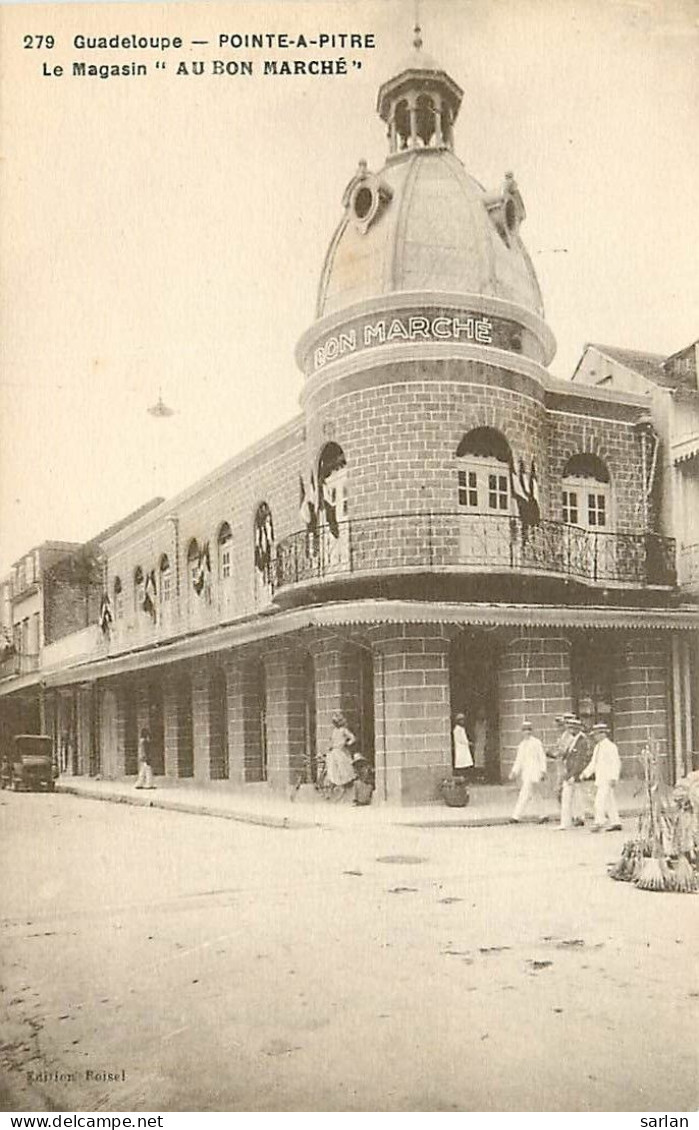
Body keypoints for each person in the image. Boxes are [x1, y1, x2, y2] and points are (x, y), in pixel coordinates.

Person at [581, 721, 622, 832]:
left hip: (608, 778)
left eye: (597, 734)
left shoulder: (610, 746)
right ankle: (615, 822)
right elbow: (594, 763)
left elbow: (616, 763)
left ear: (603, 734)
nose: (595, 737)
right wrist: (585, 773)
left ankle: (599, 822)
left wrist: (614, 777)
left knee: (599, 801)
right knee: (609, 801)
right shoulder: (598, 747)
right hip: (601, 778)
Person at [509, 719, 547, 822]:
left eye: (529, 730)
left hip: (535, 771)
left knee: (524, 794)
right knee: (535, 794)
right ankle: (543, 815)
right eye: (524, 730)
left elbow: (542, 757)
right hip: (526, 773)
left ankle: (516, 816)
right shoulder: (521, 745)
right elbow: (519, 760)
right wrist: (514, 771)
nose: (527, 732)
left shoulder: (536, 743)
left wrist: (543, 771)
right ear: (522, 732)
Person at [558, 717, 590, 830]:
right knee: (577, 797)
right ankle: (579, 817)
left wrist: (572, 774)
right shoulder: (573, 739)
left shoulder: (582, 741)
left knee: (567, 797)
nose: (571, 730)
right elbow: (568, 756)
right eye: (570, 727)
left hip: (573, 774)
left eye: (573, 727)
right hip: (571, 772)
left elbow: (579, 760)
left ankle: (565, 822)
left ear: (578, 728)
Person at [325, 711, 356, 800]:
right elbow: (332, 741)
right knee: (333, 769)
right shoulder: (334, 731)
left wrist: (347, 743)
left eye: (337, 722)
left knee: (343, 768)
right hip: (334, 752)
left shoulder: (343, 730)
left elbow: (353, 738)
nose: (336, 724)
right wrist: (330, 746)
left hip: (341, 751)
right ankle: (335, 786)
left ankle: (345, 785)